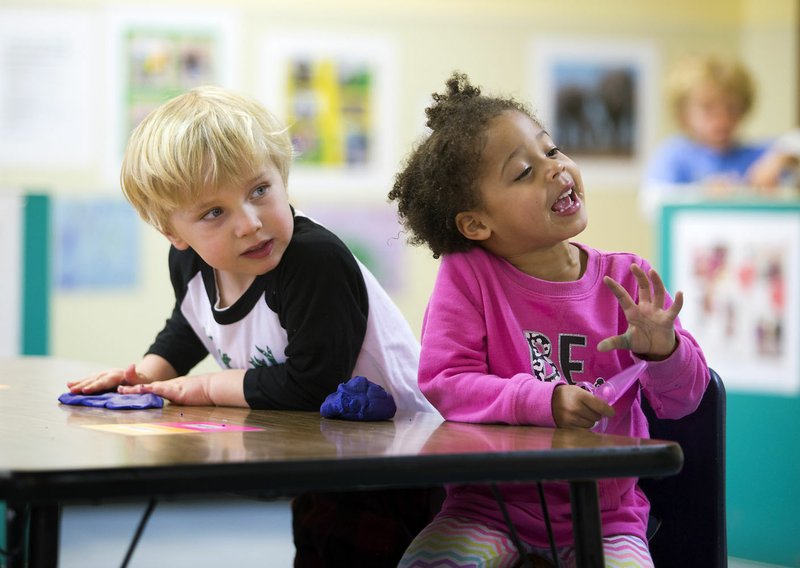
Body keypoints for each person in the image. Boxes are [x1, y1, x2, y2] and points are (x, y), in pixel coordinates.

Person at [66, 85, 440, 567]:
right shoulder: (191, 265)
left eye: (259, 191)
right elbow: (192, 323)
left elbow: (313, 384)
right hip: (323, 452)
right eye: (213, 212)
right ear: (174, 233)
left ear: (283, 178)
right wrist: (145, 375)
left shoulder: (313, 260)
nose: (249, 224)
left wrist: (200, 388)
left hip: (400, 460)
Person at [387, 72, 710, 568]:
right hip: (487, 510)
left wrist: (663, 350)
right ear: (477, 223)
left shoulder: (629, 278)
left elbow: (685, 399)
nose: (554, 170)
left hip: (608, 516)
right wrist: (545, 399)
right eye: (522, 172)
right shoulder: (468, 276)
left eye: (552, 151)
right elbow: (446, 383)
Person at [641, 53, 769, 215]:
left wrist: (782, 159)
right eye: (707, 108)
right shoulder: (673, 154)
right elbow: (650, 205)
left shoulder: (761, 156)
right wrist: (702, 194)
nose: (722, 119)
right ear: (684, 113)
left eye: (732, 108)